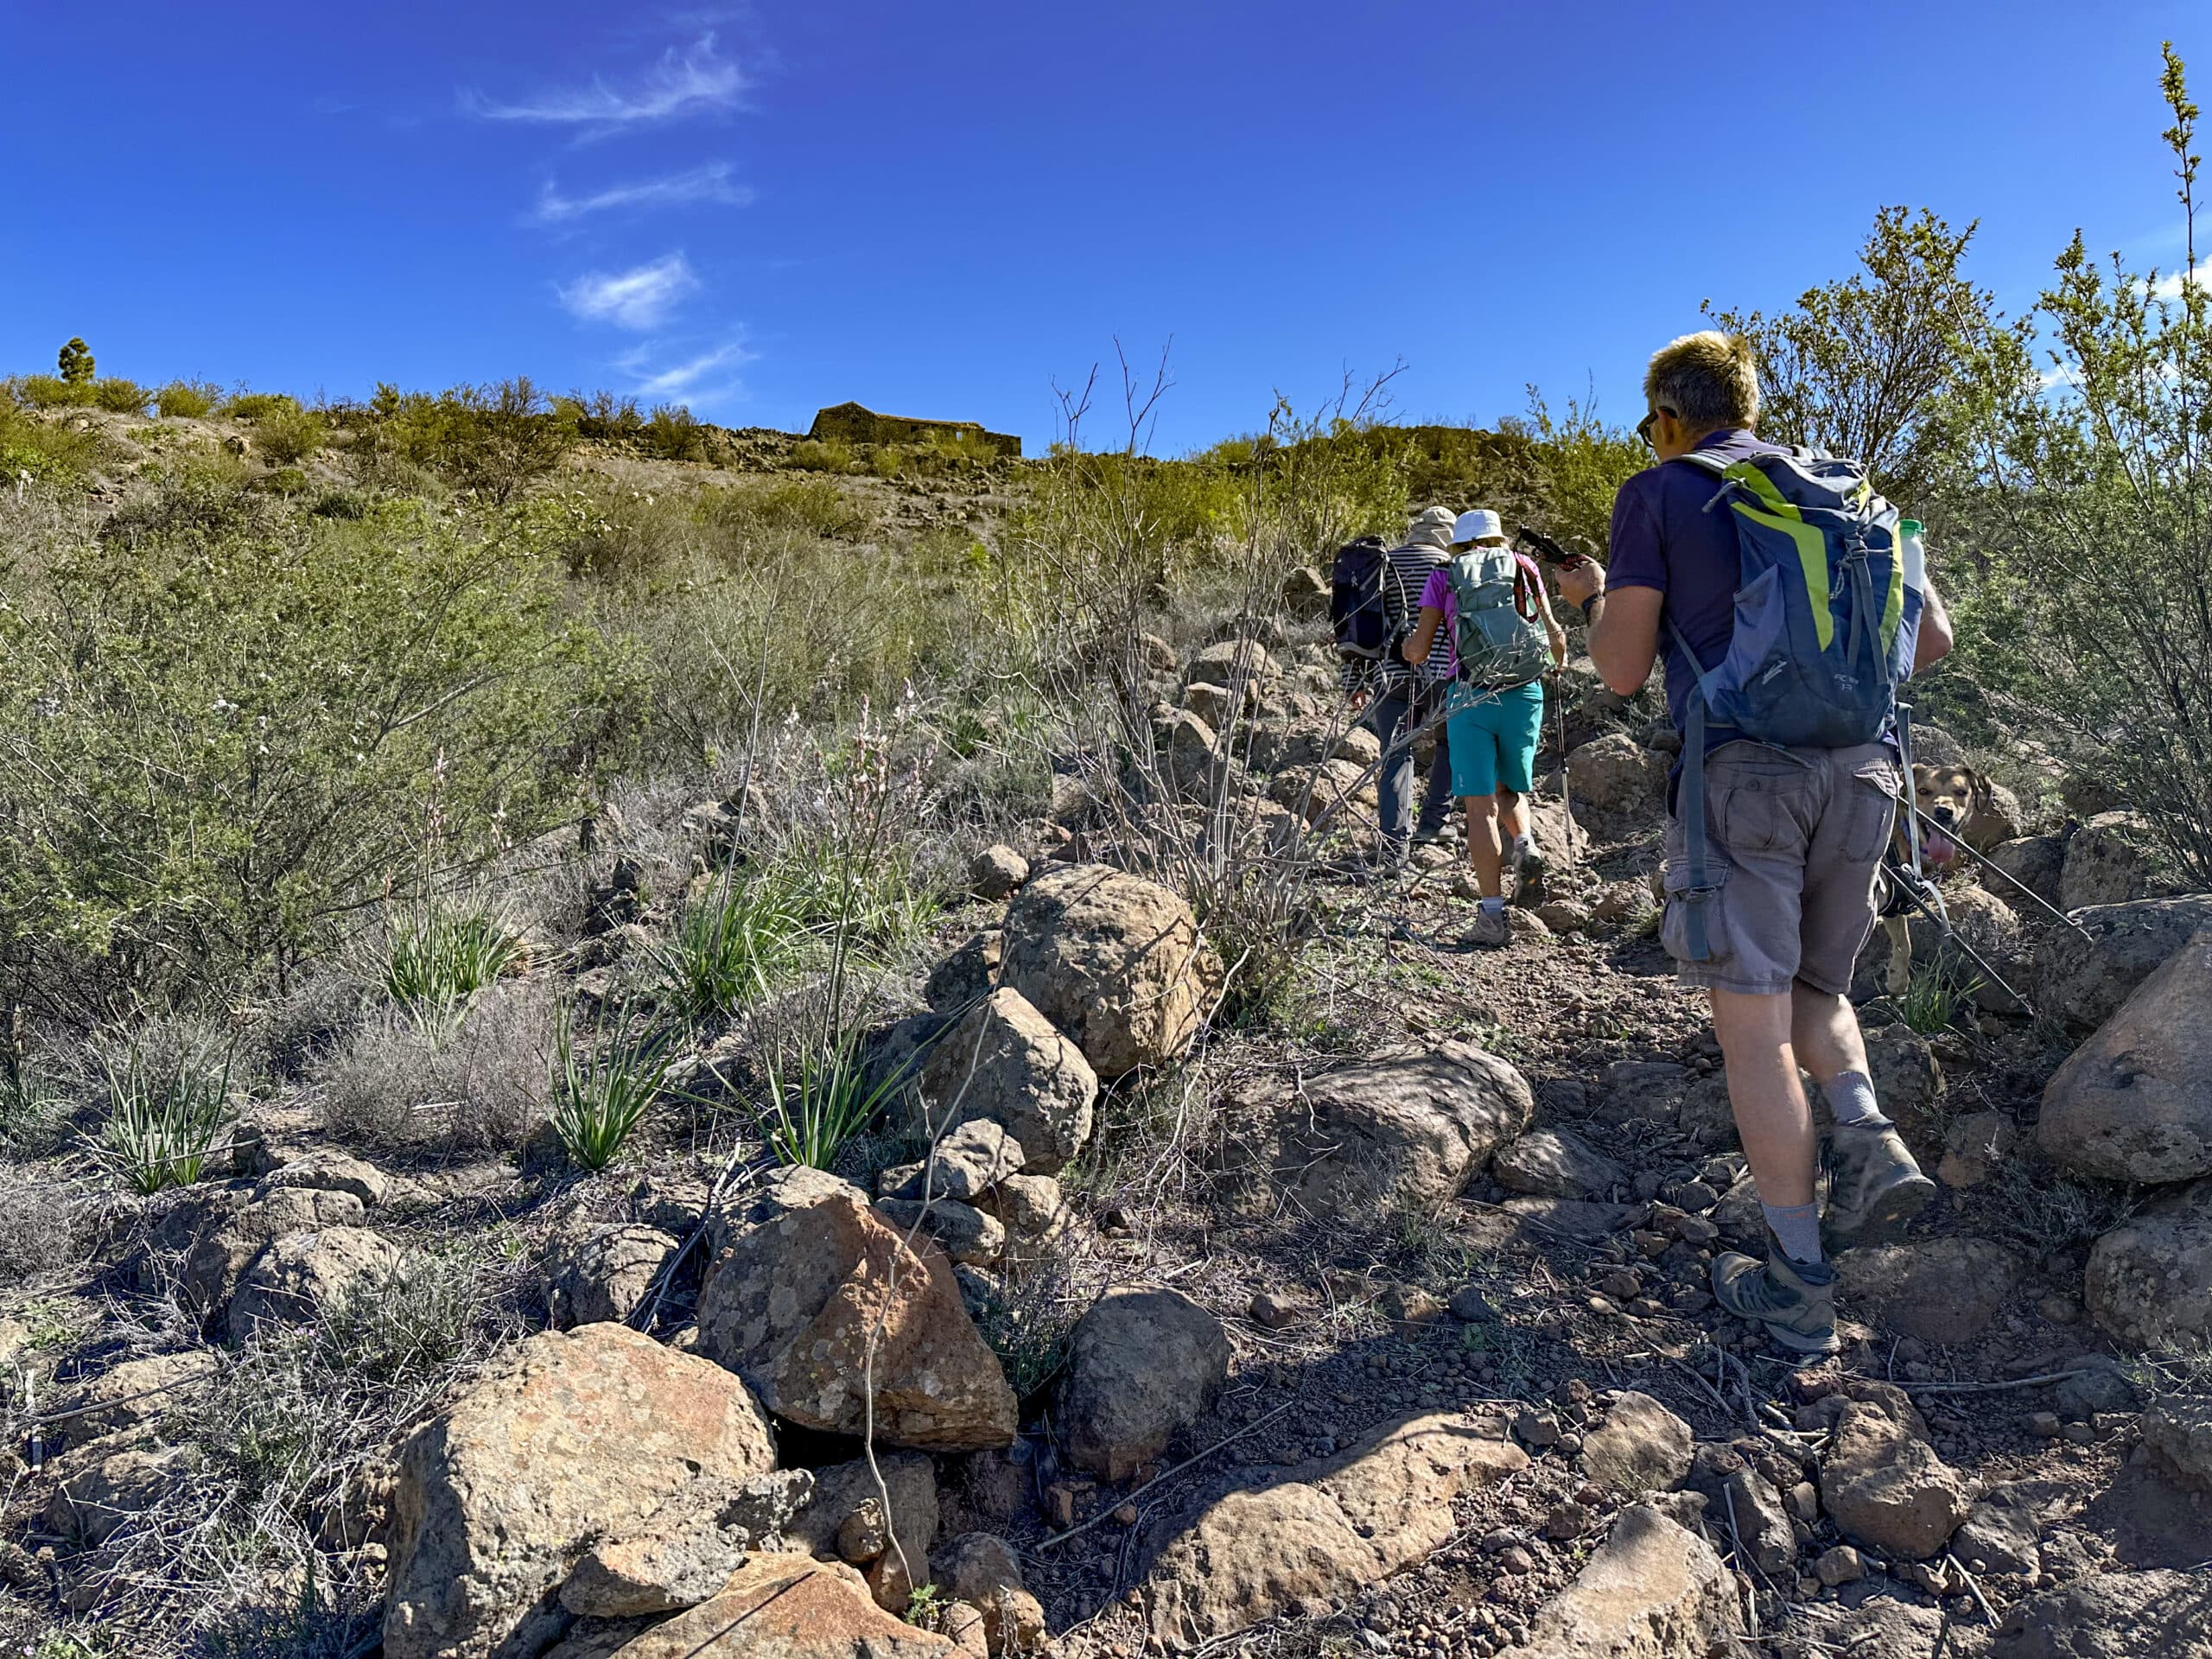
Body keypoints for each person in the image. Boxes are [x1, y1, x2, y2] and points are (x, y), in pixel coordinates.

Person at [1552, 330, 1957, 1355]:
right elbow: (1932, 640)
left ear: (1668, 415)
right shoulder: (1842, 486)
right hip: (1863, 774)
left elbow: (1620, 670)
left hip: (1746, 781)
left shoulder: (1662, 490)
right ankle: (1866, 1134)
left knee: (1752, 1027)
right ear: (1749, 406)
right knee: (1818, 992)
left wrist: (1596, 596)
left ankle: (1797, 1282)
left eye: (1651, 424)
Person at [1401, 509, 1567, 947]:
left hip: (1471, 695)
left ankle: (1492, 918)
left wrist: (1405, 643)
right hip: (1525, 692)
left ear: (1459, 543)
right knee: (1509, 788)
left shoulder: (1444, 575)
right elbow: (1555, 638)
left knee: (1480, 808)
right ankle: (1526, 843)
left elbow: (1419, 650)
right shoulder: (1524, 566)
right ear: (1497, 538)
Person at [1342, 505, 1459, 874]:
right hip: (1444, 675)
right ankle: (1433, 825)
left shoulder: (1383, 563)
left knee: (1396, 754)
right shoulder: (1454, 567)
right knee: (1450, 745)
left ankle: (1394, 846)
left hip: (1389, 674)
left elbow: (1358, 621)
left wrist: (1353, 681)